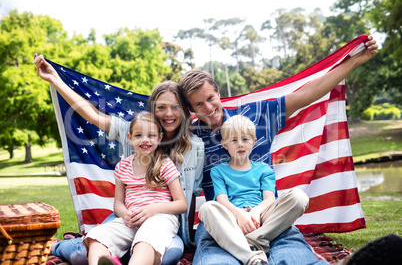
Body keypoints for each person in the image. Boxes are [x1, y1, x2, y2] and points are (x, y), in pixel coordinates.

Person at [178, 36, 379, 264]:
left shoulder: (257, 115)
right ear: (190, 109)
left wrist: (353, 62)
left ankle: (258, 242)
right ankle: (250, 253)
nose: (208, 108)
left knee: (293, 256)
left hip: (268, 214)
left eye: (210, 98)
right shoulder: (189, 139)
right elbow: (152, 132)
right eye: (198, 105)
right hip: (223, 221)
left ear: (217, 92)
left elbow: (306, 95)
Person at [34, 54, 204, 264]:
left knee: (169, 254)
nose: (168, 113)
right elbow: (93, 116)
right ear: (152, 110)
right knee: (81, 256)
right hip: (128, 218)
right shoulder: (132, 131)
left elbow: (186, 201)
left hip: (162, 222)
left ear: (184, 111)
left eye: (175, 107)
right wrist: (55, 80)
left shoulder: (194, 148)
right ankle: (65, 246)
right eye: (161, 107)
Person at [199, 115, 309, 265]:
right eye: (233, 140)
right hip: (233, 217)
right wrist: (240, 215)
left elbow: (269, 199)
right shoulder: (218, 171)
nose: (240, 145)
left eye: (245, 139)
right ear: (224, 144)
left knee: (299, 197)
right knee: (207, 208)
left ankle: (255, 239)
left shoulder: (264, 169)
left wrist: (255, 212)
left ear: (254, 142)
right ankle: (252, 258)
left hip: (262, 215)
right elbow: (221, 200)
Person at [82, 111, 187, 265]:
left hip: (159, 218)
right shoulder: (122, 167)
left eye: (151, 135)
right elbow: (118, 203)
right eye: (138, 135)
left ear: (160, 138)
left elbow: (181, 204)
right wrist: (126, 215)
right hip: (131, 220)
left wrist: (153, 209)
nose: (145, 140)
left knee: (146, 239)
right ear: (130, 138)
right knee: (97, 235)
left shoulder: (164, 164)